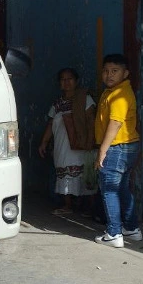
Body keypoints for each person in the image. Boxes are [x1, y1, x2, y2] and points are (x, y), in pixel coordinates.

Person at [93, 53, 142, 248]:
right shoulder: (113, 91)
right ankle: (131, 228)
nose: (109, 75)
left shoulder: (120, 95)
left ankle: (114, 233)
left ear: (125, 73)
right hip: (126, 147)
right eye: (106, 71)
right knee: (121, 188)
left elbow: (115, 123)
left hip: (117, 147)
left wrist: (102, 151)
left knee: (109, 189)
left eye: (115, 71)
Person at [38, 68, 97, 215]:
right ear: (60, 84)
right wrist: (44, 142)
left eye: (70, 78)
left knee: (86, 173)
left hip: (82, 144)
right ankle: (68, 205)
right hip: (62, 145)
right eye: (63, 79)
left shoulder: (85, 99)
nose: (67, 82)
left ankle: (89, 208)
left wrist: (90, 140)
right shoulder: (57, 103)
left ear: (76, 81)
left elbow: (91, 120)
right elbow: (51, 124)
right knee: (65, 172)